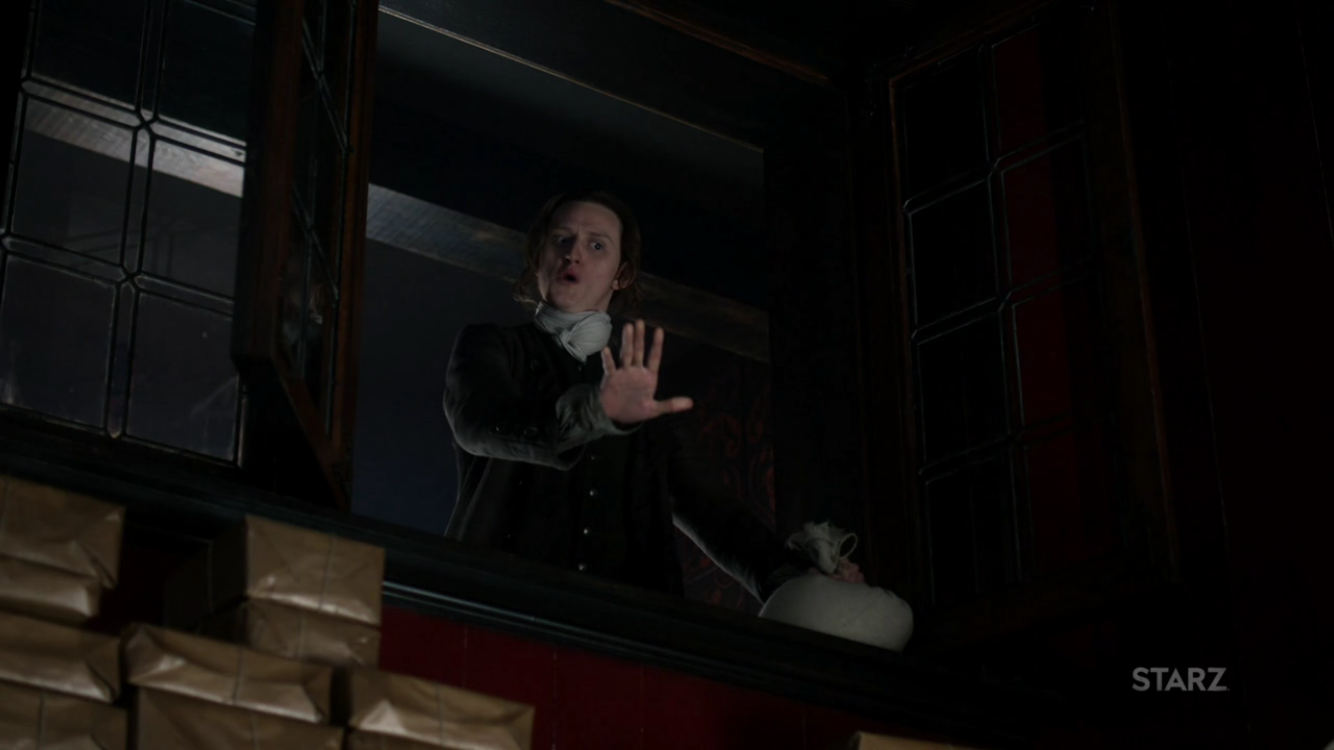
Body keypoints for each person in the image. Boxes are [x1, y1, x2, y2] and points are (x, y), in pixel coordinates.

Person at [442, 190, 848, 602]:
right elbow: (477, 423)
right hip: (496, 604)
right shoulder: (490, 344)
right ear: (538, 256)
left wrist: (797, 576)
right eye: (561, 239)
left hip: (623, 621)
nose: (573, 254)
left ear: (621, 275)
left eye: (596, 246)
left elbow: (708, 508)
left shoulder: (646, 392)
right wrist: (594, 412)